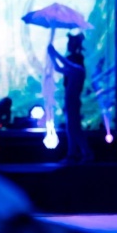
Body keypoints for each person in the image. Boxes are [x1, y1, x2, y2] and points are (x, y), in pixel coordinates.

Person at [47, 33, 93, 164]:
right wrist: (51, 55)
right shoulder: (73, 70)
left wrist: (54, 53)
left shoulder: (78, 69)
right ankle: (72, 154)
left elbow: (66, 63)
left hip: (73, 101)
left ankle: (86, 153)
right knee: (70, 128)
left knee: (75, 128)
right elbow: (58, 68)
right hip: (70, 101)